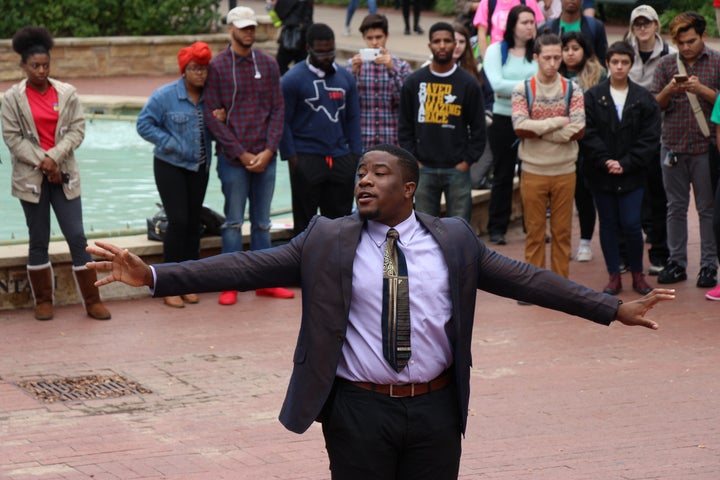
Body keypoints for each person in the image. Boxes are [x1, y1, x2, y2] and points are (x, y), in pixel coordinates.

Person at [86, 143, 674, 480]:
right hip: (358, 412)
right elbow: (245, 267)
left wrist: (611, 309)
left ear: (410, 187)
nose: (364, 181)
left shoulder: (454, 240)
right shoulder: (326, 239)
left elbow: (528, 278)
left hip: (438, 409)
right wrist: (155, 275)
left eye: (379, 173)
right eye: (361, 173)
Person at [0, 26, 111, 322]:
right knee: (38, 238)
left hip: (65, 177)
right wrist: (43, 161)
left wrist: (55, 158)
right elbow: (12, 138)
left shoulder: (67, 93)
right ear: (23, 66)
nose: (41, 71)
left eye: (46, 65)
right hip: (31, 180)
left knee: (77, 235)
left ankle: (92, 300)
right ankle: (44, 301)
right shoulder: (11, 98)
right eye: (35, 66)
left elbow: (77, 130)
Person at [203, 6, 293, 305]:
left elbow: (278, 110)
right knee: (232, 221)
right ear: (230, 30)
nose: (248, 32)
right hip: (233, 160)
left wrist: (269, 150)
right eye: (243, 27)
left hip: (265, 157)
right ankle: (231, 281)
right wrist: (240, 154)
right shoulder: (217, 67)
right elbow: (212, 116)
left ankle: (265, 281)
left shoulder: (268, 65)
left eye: (252, 27)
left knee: (263, 222)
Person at [136, 42, 214, 309]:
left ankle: (188, 282)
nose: (200, 74)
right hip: (170, 165)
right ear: (184, 70)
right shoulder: (165, 95)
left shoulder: (211, 96)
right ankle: (167, 284)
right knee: (178, 222)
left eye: (203, 68)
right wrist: (167, 141)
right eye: (194, 68)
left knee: (194, 224)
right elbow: (143, 123)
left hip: (199, 167)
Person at [581, 41, 660, 295]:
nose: (619, 67)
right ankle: (614, 275)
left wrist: (626, 163)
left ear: (631, 64)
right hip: (601, 173)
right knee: (607, 224)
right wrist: (605, 160)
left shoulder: (642, 98)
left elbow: (649, 138)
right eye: (614, 62)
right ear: (607, 63)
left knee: (631, 223)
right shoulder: (593, 97)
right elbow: (588, 133)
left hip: (632, 174)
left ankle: (638, 274)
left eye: (624, 62)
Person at [651, 11, 720, 288]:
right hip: (672, 146)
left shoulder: (716, 62)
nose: (686, 47)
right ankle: (677, 262)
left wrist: (701, 90)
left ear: (703, 35)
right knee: (675, 207)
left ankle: (708, 267)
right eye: (680, 42)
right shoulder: (667, 64)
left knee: (707, 209)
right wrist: (670, 89)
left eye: (691, 41)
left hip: (704, 147)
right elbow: (655, 104)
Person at [511, 33, 585, 280]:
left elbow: (578, 129)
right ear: (536, 58)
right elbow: (520, 126)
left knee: (562, 232)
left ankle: (561, 285)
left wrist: (539, 129)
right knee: (534, 232)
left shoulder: (572, 89)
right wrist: (557, 122)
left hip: (565, 169)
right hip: (533, 169)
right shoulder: (523, 89)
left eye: (557, 57)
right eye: (547, 58)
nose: (553, 63)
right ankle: (534, 285)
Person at [399, 22, 486, 223]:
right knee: (424, 230)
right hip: (423, 169)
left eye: (447, 41)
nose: (442, 45)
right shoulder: (414, 82)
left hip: (457, 169)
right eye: (437, 41)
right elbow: (404, 127)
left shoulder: (468, 83)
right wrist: (415, 161)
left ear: (455, 44)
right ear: (430, 45)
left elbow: (479, 129)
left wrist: (466, 162)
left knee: (459, 231)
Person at [279, 23, 362, 235]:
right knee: (305, 224)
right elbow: (283, 121)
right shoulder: (291, 80)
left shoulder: (346, 78)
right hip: (307, 157)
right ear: (308, 49)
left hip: (341, 157)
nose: (327, 56)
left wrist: (354, 155)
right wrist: (293, 158)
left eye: (331, 51)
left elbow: (353, 118)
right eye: (321, 52)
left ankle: (339, 266)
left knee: (341, 223)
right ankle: (304, 267)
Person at [624, 4, 673, 276]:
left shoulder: (669, 55)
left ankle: (659, 252)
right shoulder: (623, 55)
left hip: (661, 134)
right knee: (634, 194)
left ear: (656, 25)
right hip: (629, 136)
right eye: (637, 24)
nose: (642, 28)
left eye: (647, 23)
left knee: (659, 195)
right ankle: (628, 252)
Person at [484, 5, 538, 245]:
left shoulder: (538, 51)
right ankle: (497, 228)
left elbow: (546, 82)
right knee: (503, 174)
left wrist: (513, 88)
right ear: (513, 25)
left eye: (532, 22)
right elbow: (496, 84)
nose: (530, 26)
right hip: (503, 119)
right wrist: (529, 87)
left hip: (534, 119)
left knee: (532, 174)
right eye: (524, 22)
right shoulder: (497, 50)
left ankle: (533, 227)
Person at [559, 31, 605, 262]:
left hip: (589, 144)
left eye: (575, 48)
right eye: (565, 49)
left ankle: (586, 241)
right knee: (565, 196)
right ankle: (563, 242)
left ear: (585, 51)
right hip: (560, 144)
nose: (569, 53)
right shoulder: (553, 74)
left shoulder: (598, 75)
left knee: (586, 194)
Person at [346, 13, 411, 151]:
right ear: (364, 38)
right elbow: (345, 104)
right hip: (363, 141)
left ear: (386, 36)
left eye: (378, 37)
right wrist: (352, 73)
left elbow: (405, 102)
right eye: (369, 38)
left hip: (391, 140)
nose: (374, 42)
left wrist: (391, 69)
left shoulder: (401, 66)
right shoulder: (353, 65)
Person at [453, 23, 496, 190]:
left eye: (462, 42)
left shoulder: (477, 69)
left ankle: (487, 173)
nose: (457, 46)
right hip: (445, 137)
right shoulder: (429, 69)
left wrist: (482, 119)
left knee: (473, 181)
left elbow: (490, 99)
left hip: (475, 135)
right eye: (453, 41)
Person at [472, 0, 545, 60]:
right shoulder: (487, 2)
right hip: (496, 54)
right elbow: (481, 34)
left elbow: (533, 30)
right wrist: (487, 59)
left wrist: (529, 54)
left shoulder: (528, 1)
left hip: (523, 54)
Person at [274, 0, 314, 75]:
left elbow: (278, 15)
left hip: (290, 33)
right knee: (302, 67)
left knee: (281, 65)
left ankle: (289, 81)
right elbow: (309, 17)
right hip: (304, 34)